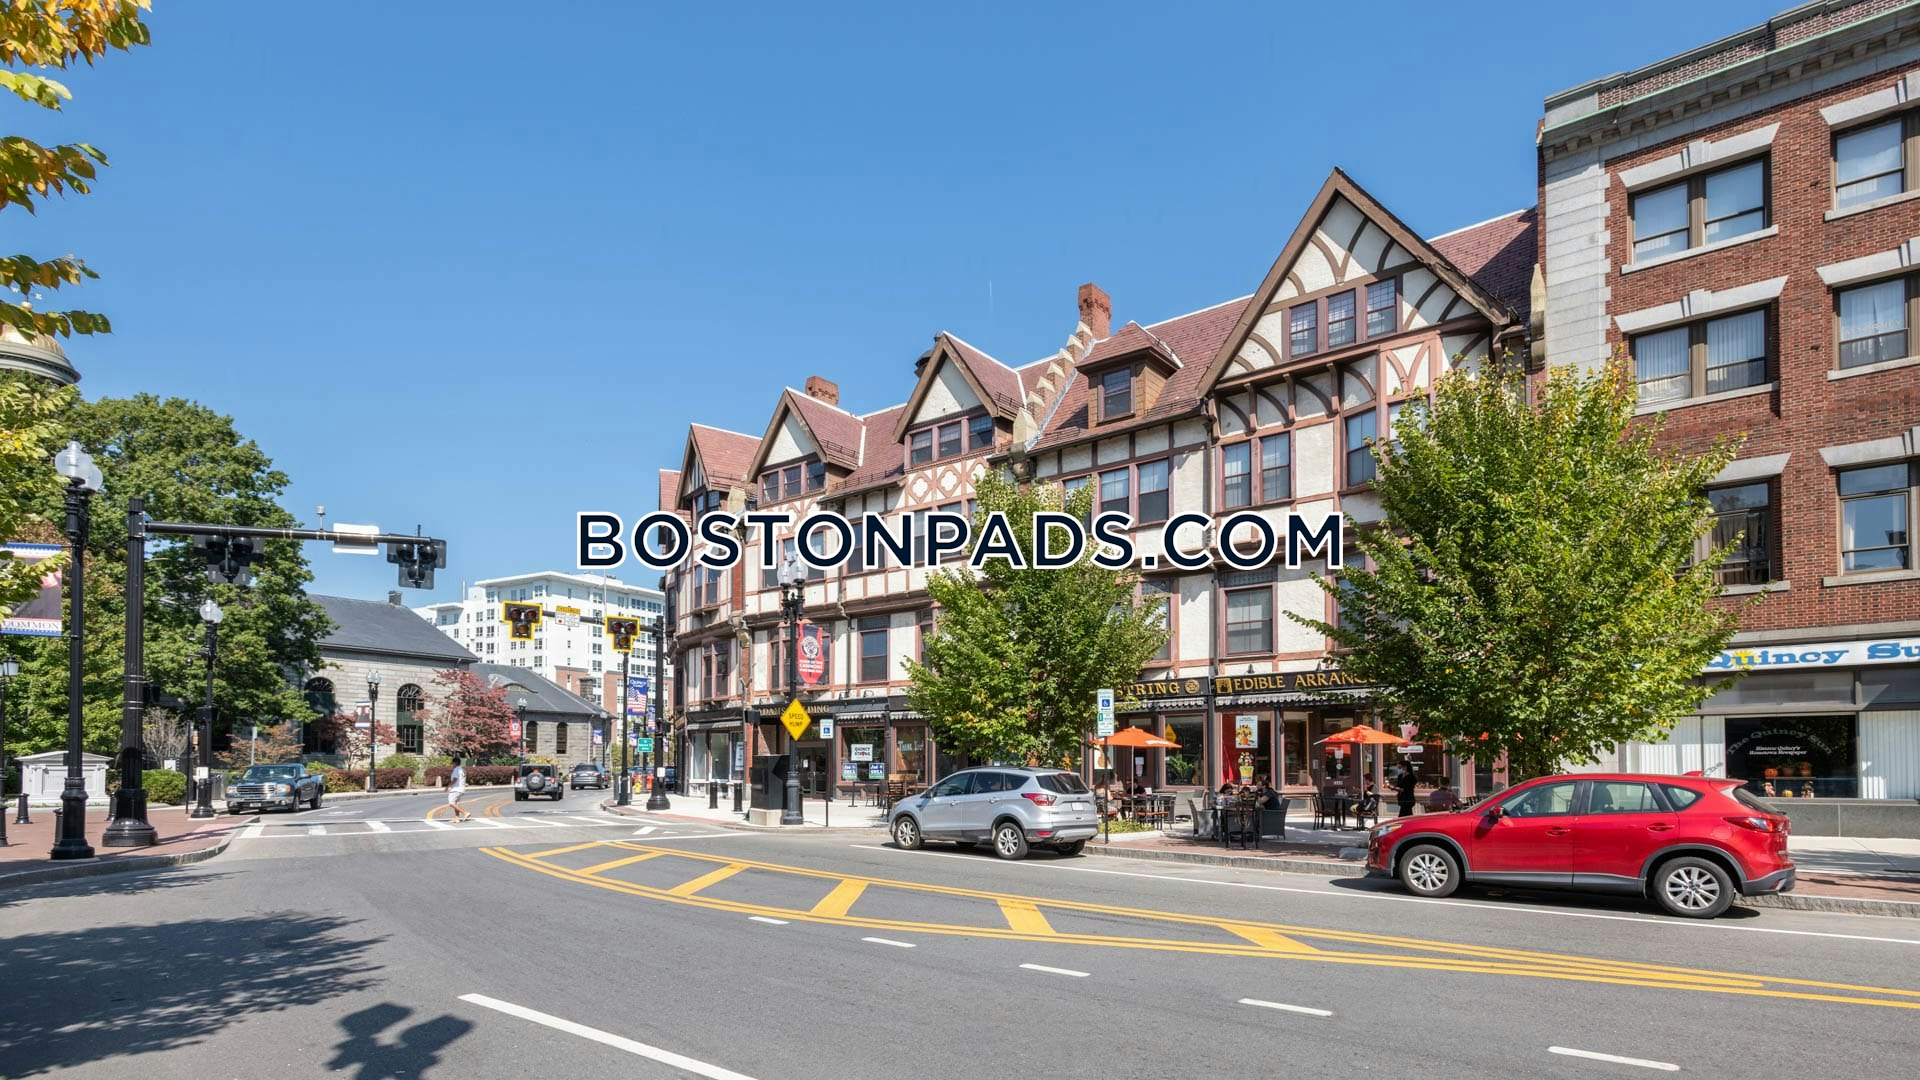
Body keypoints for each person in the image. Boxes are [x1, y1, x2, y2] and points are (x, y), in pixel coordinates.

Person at [446, 755, 472, 822]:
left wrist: (448, 786)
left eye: (452, 763)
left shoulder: (456, 769)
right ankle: (457, 818)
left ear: (455, 763)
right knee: (456, 804)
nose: (452, 765)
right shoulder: (462, 769)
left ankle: (465, 813)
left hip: (456, 789)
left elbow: (455, 779)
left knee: (451, 803)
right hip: (461, 789)